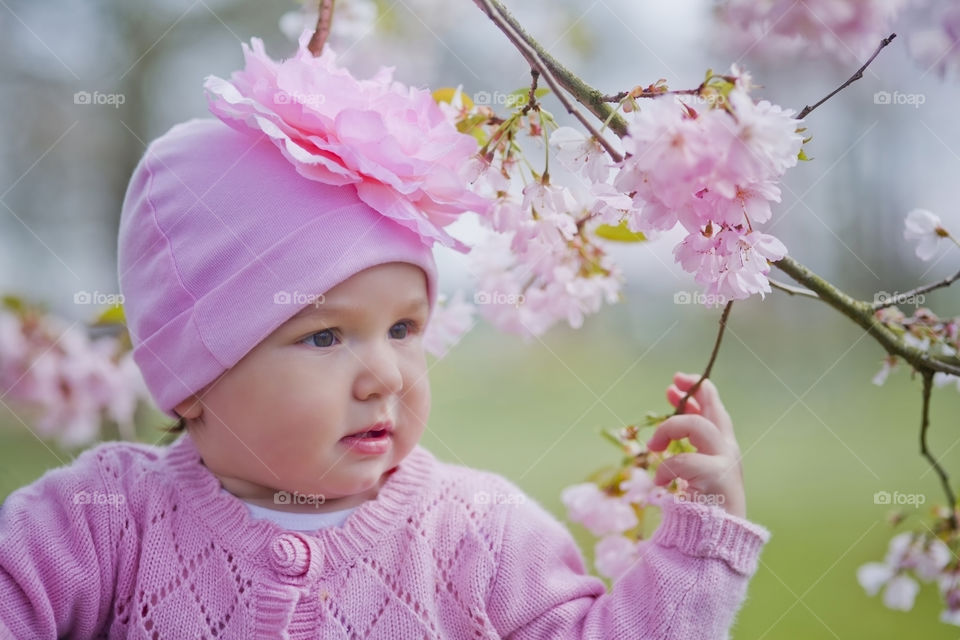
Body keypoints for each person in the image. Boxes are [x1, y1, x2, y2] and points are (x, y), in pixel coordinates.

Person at [0, 47, 770, 639]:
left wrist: (693, 552)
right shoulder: (102, 522)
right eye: (325, 335)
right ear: (193, 380)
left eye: (404, 329)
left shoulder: (479, 535)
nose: (384, 377)